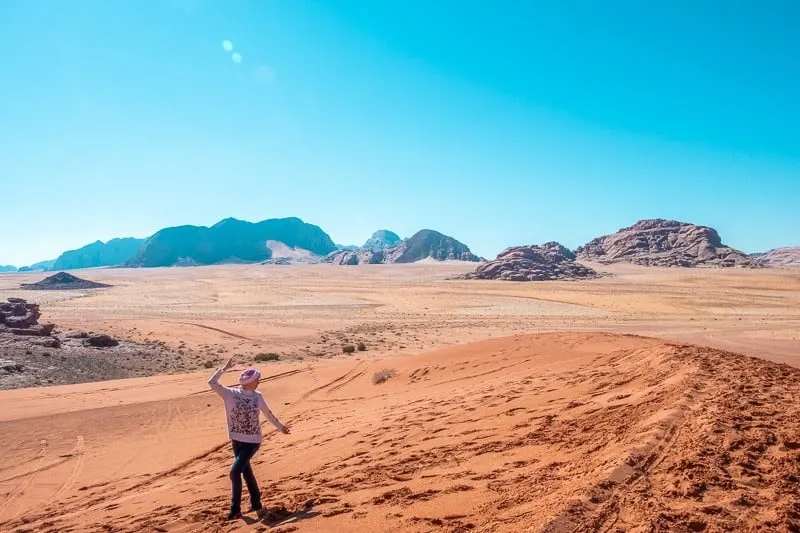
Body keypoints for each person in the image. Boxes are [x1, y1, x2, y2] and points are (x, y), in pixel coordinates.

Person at [208, 357, 291, 520]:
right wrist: (224, 369)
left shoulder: (257, 396)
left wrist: (280, 426)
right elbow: (212, 382)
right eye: (257, 380)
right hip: (236, 440)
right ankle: (256, 504)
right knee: (246, 472)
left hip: (252, 441)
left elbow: (268, 413)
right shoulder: (230, 394)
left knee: (234, 472)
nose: (259, 382)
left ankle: (235, 510)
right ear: (250, 382)